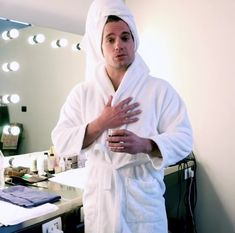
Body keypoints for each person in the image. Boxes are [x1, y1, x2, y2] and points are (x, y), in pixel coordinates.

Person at [51, 0, 193, 232]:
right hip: (102, 200)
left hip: (142, 199)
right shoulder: (83, 93)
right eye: (110, 39)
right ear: (100, 45)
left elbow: (185, 139)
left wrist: (146, 145)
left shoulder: (158, 89)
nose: (119, 45)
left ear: (134, 41)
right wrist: (100, 124)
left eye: (125, 37)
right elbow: (61, 141)